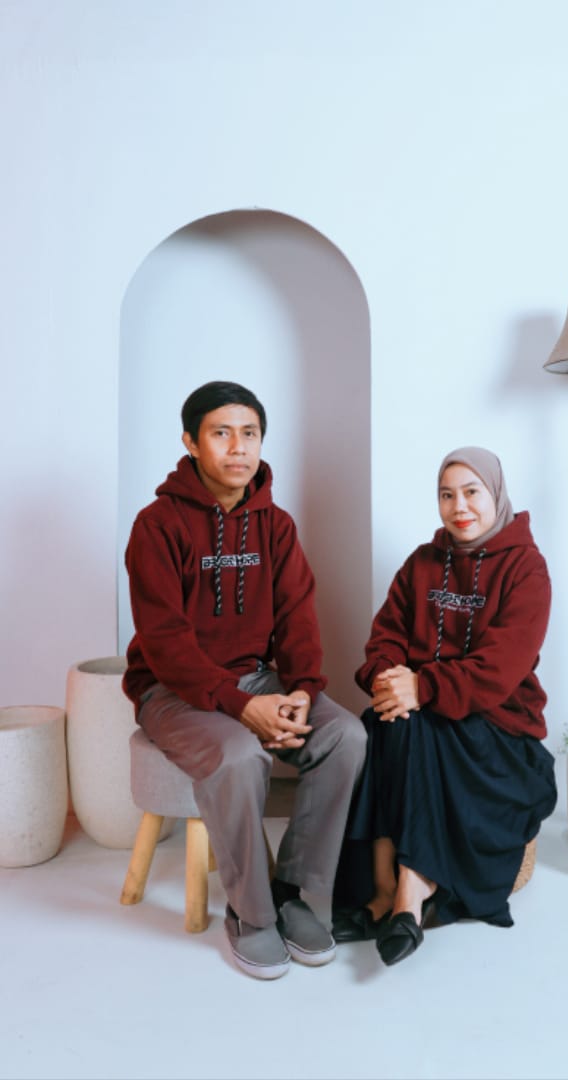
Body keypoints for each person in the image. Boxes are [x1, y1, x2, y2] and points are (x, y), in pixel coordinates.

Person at [122, 380, 366, 980]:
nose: (239, 447)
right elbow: (166, 644)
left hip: (257, 678)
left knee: (346, 736)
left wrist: (301, 692)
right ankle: (251, 914)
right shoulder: (156, 526)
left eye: (250, 433)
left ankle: (291, 893)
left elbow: (298, 618)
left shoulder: (275, 525)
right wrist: (239, 706)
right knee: (238, 755)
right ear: (191, 442)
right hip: (171, 689)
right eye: (222, 433)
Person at [332, 446, 557, 966]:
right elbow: (384, 638)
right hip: (423, 715)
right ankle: (392, 889)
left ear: (495, 494)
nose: (460, 507)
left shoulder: (527, 568)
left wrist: (422, 687)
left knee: (412, 725)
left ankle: (405, 889)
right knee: (385, 721)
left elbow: (500, 669)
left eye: (472, 492)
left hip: (499, 730)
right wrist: (390, 681)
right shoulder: (422, 563)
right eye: (447, 495)